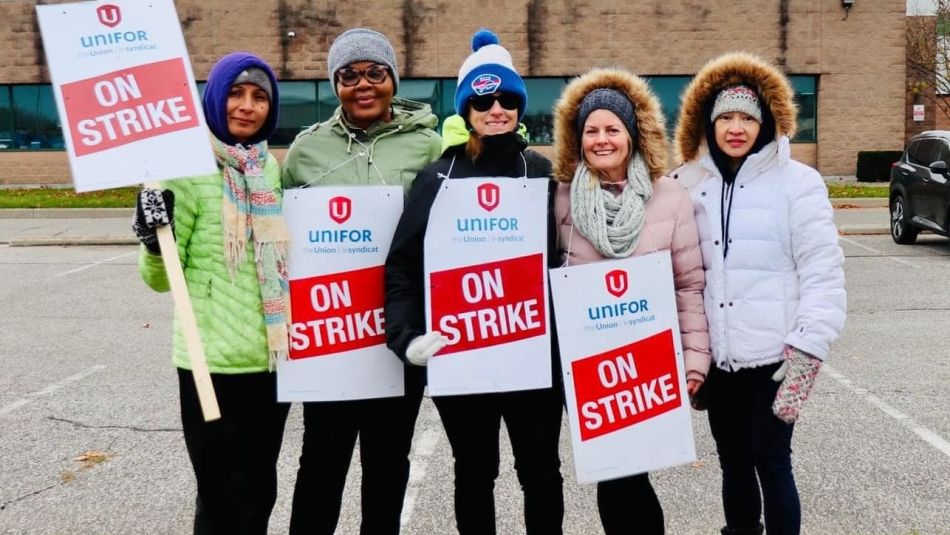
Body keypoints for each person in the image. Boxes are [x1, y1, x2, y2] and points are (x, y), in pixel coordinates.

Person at [384, 29, 563, 535]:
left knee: (541, 474)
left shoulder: (541, 173)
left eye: (507, 98)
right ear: (467, 109)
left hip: (532, 358)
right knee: (475, 473)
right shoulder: (437, 178)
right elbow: (400, 266)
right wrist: (407, 338)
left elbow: (564, 259)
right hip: (464, 359)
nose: (496, 109)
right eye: (483, 100)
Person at [671, 52, 847, 535]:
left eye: (747, 117)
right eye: (725, 116)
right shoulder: (686, 185)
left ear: (766, 121)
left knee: (772, 460)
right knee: (732, 462)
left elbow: (822, 269)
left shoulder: (798, 183)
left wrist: (808, 345)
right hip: (718, 360)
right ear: (708, 123)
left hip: (775, 357)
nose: (735, 127)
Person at [281, 28, 442, 535]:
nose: (363, 84)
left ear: (393, 78)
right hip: (331, 334)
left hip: (397, 333)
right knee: (321, 462)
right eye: (349, 75)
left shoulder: (429, 144)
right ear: (335, 84)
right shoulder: (306, 151)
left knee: (388, 464)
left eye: (376, 72)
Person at [133, 51, 290, 535]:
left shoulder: (270, 169)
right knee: (222, 495)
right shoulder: (181, 171)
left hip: (269, 363)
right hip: (209, 365)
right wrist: (152, 239)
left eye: (259, 96)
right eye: (235, 94)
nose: (247, 106)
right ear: (215, 99)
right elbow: (160, 280)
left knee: (262, 489)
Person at [551, 68, 711, 535]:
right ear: (577, 138)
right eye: (591, 131)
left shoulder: (669, 197)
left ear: (633, 135)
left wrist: (694, 361)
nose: (602, 140)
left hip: (647, 360)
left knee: (631, 473)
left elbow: (688, 285)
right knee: (611, 472)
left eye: (612, 129)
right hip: (588, 365)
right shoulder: (561, 199)